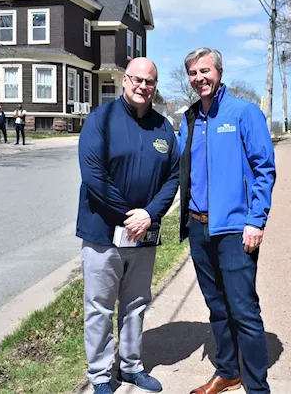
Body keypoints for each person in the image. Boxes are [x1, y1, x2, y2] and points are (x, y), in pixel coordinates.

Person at [77, 57, 179, 394]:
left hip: (143, 235)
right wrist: (128, 215)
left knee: (136, 303)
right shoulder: (100, 120)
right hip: (103, 233)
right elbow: (94, 175)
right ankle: (101, 375)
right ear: (124, 80)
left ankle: (131, 367)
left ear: (155, 86)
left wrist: (148, 214)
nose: (142, 86)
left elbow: (173, 176)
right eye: (137, 79)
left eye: (149, 82)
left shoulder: (163, 128)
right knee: (100, 307)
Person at [177, 48, 276, 394]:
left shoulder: (244, 113)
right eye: (193, 72)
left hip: (235, 229)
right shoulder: (189, 119)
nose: (199, 78)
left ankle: (257, 386)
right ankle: (228, 372)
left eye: (205, 70)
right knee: (217, 306)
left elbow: (264, 170)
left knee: (243, 309)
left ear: (218, 72)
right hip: (198, 228)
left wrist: (256, 220)